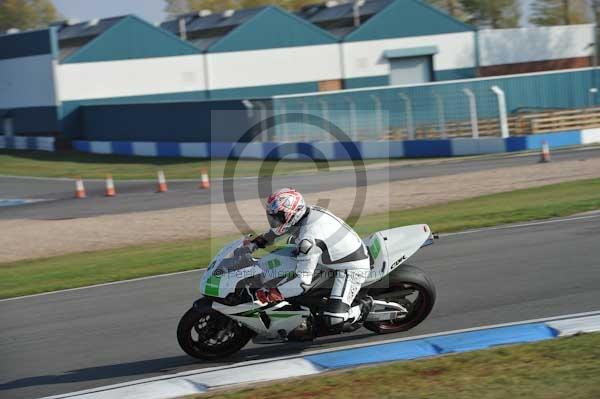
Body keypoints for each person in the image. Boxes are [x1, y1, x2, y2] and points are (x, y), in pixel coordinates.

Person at [246, 188, 372, 332]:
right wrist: (254, 243)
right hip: (329, 257)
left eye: (279, 217)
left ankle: (364, 305)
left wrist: (271, 294)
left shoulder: (308, 239)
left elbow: (301, 284)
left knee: (334, 320)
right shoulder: (305, 213)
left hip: (350, 267)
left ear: (292, 214)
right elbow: (278, 232)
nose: (275, 221)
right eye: (273, 216)